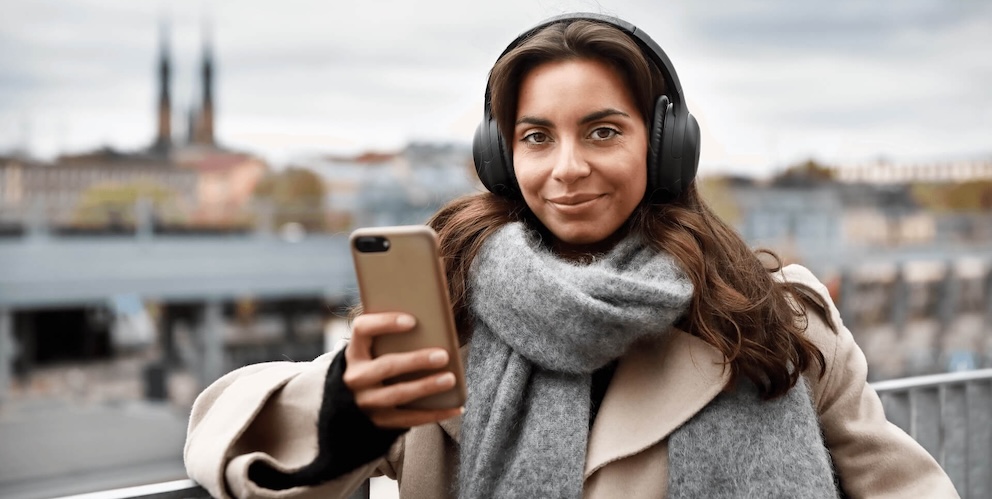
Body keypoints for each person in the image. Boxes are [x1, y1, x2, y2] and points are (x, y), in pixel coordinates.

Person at [184, 13, 958, 498]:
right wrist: (346, 415)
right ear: (500, 157)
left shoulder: (776, 312)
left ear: (665, 144)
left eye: (602, 130)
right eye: (535, 137)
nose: (566, 169)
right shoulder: (446, 308)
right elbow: (232, 435)